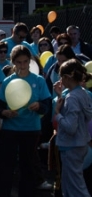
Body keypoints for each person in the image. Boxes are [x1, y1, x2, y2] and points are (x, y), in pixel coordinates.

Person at [0, 45, 51, 197]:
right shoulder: (8, 81)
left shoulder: (38, 80)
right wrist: (5, 112)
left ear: (30, 61)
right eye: (18, 62)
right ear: (13, 62)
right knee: (6, 165)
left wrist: (39, 106)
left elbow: (47, 106)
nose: (22, 65)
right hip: (10, 130)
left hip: (31, 129)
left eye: (25, 62)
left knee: (28, 167)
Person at [54, 59, 92, 197]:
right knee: (68, 186)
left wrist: (58, 114)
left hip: (72, 146)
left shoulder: (72, 97)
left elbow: (70, 127)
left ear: (66, 77)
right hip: (80, 144)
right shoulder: (83, 93)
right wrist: (60, 95)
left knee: (76, 187)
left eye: (60, 76)